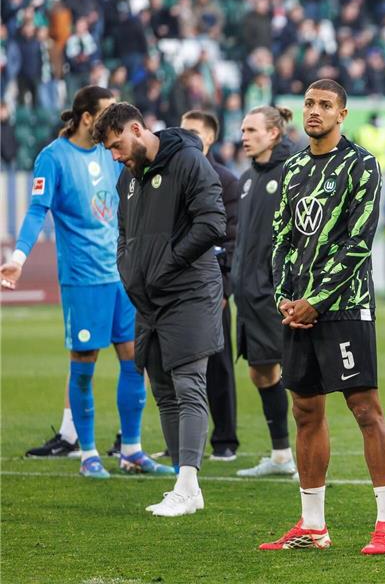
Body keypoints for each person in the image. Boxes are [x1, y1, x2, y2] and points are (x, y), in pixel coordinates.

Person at [260, 79, 385, 554]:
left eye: (324, 105)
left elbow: (359, 241)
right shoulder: (294, 167)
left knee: (364, 408)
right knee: (304, 411)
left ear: (342, 113)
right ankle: (313, 525)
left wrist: (316, 300)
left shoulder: (362, 164)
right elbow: (281, 238)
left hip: (345, 307)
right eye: (308, 104)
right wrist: (286, 298)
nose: (314, 111)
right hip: (298, 311)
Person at [0, 86, 170, 478]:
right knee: (84, 362)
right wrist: (18, 259)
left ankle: (132, 450)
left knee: (134, 359)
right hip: (83, 278)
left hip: (122, 275)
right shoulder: (53, 157)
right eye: (108, 112)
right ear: (88, 117)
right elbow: (37, 211)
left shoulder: (113, 153)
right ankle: (88, 454)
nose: (116, 120)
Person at [94, 102, 226, 517]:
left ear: (137, 129)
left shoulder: (188, 161)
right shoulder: (128, 178)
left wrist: (167, 265)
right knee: (164, 390)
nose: (115, 156)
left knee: (188, 384)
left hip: (189, 291)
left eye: (116, 145)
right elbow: (123, 232)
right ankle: (185, 486)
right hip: (149, 298)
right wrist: (129, 269)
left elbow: (213, 223)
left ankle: (187, 486)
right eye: (109, 150)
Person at [232, 105, 298, 478]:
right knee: (260, 372)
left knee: (298, 377)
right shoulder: (247, 179)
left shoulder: (292, 172)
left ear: (273, 133)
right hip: (248, 295)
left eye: (252, 130)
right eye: (243, 130)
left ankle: (308, 459)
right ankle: (281, 456)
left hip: (276, 294)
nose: (244, 137)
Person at [180, 110, 241, 462]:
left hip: (212, 288)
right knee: (174, 364)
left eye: (193, 131)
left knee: (218, 364)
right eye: (183, 130)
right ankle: (181, 439)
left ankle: (225, 439)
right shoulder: (171, 175)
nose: (186, 136)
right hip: (177, 286)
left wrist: (225, 289)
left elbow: (232, 240)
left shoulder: (227, 181)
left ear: (210, 138)